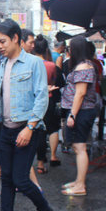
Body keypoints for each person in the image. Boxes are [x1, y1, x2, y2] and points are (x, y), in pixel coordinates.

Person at [0, 19, 53, 211]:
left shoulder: (33, 63)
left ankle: (45, 209)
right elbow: (3, 99)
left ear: (16, 39)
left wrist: (30, 128)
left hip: (27, 129)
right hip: (6, 129)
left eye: (2, 41)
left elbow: (41, 98)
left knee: (21, 179)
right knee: (7, 179)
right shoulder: (2, 64)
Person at [60, 36, 97, 196]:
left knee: (80, 148)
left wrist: (72, 115)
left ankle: (80, 186)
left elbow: (80, 93)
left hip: (81, 112)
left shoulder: (83, 67)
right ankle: (78, 181)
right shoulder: (85, 65)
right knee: (77, 147)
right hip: (81, 111)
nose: (68, 50)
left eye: (70, 47)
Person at [33, 35, 60, 174]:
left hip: (31, 100)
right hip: (47, 100)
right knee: (42, 132)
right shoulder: (51, 65)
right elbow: (54, 82)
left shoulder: (29, 63)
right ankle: (40, 165)